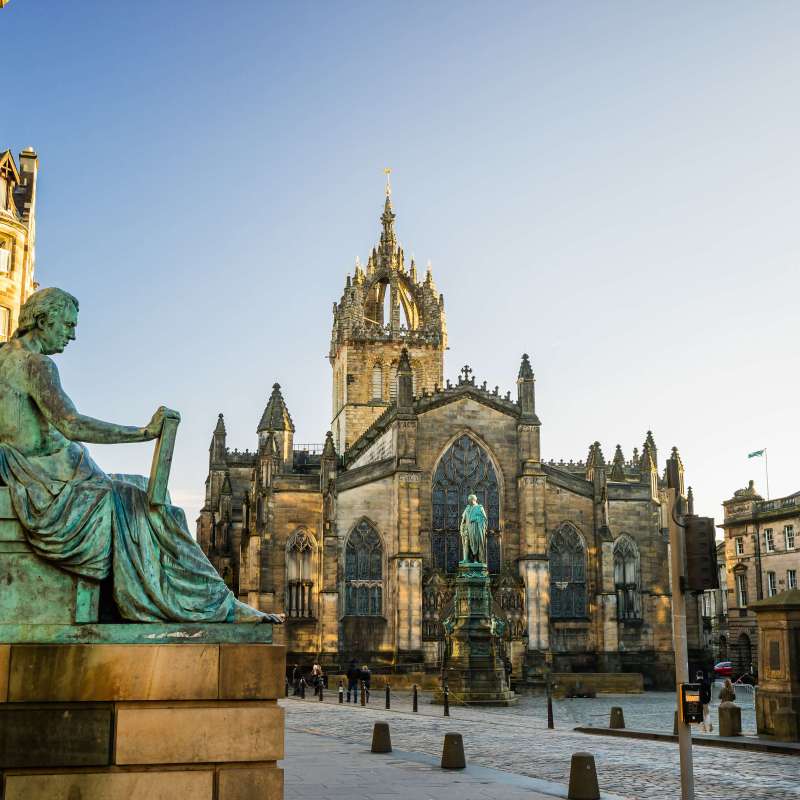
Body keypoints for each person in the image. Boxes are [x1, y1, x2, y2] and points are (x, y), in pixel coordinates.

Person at [0, 288, 281, 624]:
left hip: (46, 475)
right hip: (50, 485)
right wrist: (144, 433)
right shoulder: (36, 365)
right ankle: (216, 605)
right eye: (67, 325)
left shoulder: (4, 356)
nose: (72, 335)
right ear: (44, 319)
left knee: (142, 487)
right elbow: (72, 424)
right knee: (152, 506)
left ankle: (212, 600)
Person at [459, 493, 488, 563]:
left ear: (475, 500)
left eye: (471, 499)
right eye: (469, 500)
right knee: (466, 543)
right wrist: (462, 528)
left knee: (476, 544)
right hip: (467, 529)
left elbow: (484, 519)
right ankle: (466, 559)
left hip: (476, 529)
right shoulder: (467, 508)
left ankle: (476, 560)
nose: (470, 501)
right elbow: (463, 519)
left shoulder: (479, 507)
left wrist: (476, 518)